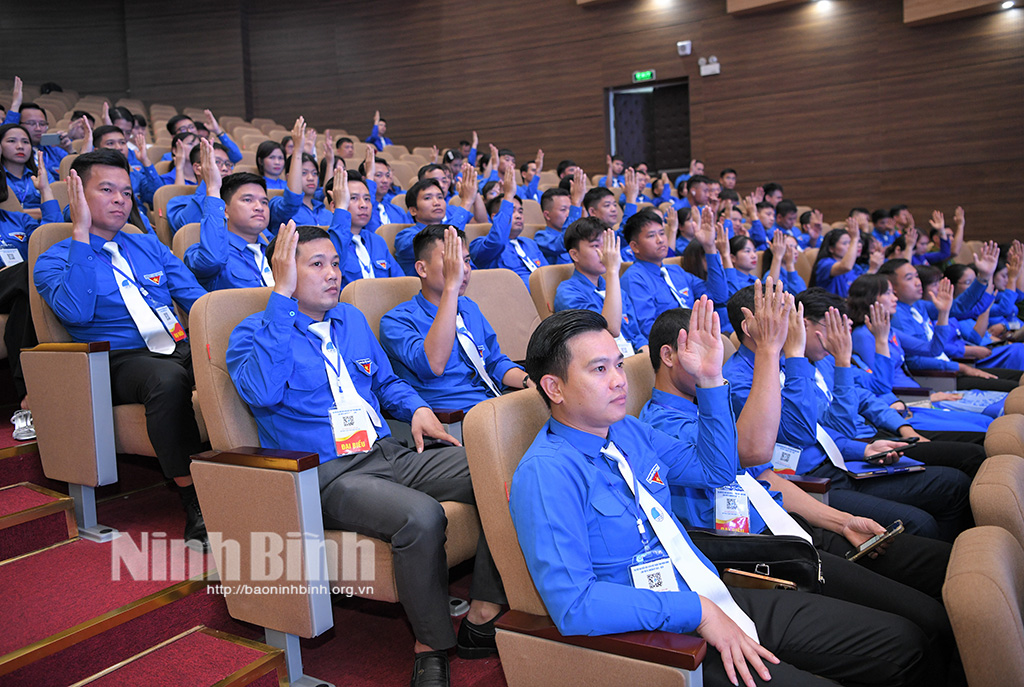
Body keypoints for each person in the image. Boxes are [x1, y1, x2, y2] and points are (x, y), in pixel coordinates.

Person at [511, 307, 930, 687]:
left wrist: (711, 381)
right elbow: (575, 604)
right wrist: (697, 612)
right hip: (662, 635)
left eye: (618, 364)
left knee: (902, 641)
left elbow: (717, 471)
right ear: (555, 387)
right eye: (599, 369)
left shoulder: (628, 432)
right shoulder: (547, 472)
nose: (619, 380)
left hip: (710, 590)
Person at [227, 223, 505, 687]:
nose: (333, 274)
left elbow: (385, 383)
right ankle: (431, 645)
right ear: (285, 272)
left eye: (335, 263)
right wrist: (279, 300)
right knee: (422, 516)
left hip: (388, 449)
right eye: (317, 265)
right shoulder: (254, 331)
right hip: (328, 474)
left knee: (504, 473)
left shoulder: (351, 320)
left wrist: (416, 407)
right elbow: (260, 390)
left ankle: (483, 612)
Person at [640, 299, 959, 684]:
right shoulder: (659, 424)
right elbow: (752, 452)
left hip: (795, 528)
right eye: (703, 351)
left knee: (942, 577)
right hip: (763, 556)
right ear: (670, 355)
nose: (715, 363)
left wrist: (841, 522)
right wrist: (774, 353)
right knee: (923, 628)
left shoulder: (705, 404)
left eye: (716, 353)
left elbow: (765, 476)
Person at [34, 150, 209, 548]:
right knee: (168, 379)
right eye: (107, 190)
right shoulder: (52, 259)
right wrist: (80, 236)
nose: (120, 200)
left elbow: (198, 302)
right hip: (115, 360)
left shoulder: (148, 246)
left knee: (229, 362)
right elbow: (75, 312)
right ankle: (192, 500)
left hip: (176, 345)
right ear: (77, 195)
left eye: (127, 193)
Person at [723, 285, 972, 543]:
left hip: (837, 459)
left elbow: (830, 427)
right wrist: (797, 355)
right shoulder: (741, 380)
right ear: (749, 327)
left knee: (953, 484)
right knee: (920, 522)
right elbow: (802, 434)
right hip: (808, 480)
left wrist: (860, 450)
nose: (793, 324)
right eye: (783, 315)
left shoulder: (788, 362)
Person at [380, 226, 527, 412]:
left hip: (492, 406)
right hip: (453, 420)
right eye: (451, 261)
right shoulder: (397, 321)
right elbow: (433, 366)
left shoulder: (468, 307)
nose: (463, 269)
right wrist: (451, 287)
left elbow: (494, 362)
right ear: (422, 269)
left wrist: (529, 381)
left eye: (466, 260)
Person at [847, 273, 995, 442]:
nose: (894, 297)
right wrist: (926, 397)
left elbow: (932, 349)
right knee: (983, 430)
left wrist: (943, 313)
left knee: (986, 422)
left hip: (919, 397)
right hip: (908, 401)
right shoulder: (863, 336)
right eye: (888, 293)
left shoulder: (888, 330)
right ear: (869, 299)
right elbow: (881, 387)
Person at [881, 257, 1022, 390]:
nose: (918, 282)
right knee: (1015, 387)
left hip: (949, 368)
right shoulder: (898, 316)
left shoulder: (918, 306)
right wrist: (961, 367)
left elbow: (961, 307)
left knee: (1018, 378)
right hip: (938, 376)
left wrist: (983, 278)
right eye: (909, 278)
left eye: (917, 276)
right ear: (892, 287)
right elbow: (916, 361)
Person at [621, 207, 727, 337]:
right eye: (651, 235)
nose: (660, 240)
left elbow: (718, 297)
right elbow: (648, 329)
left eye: (661, 233)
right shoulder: (634, 279)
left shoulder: (675, 271)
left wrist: (709, 247)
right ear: (634, 247)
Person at [183, 141, 274, 291]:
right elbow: (213, 261)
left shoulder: (277, 252)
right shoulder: (203, 252)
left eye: (264, 202)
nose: (259, 207)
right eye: (248, 200)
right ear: (225, 210)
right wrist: (212, 189)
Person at [554, 218, 647, 355]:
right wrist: (612, 270)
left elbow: (636, 336)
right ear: (575, 255)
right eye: (596, 246)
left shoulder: (617, 290)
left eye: (606, 245)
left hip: (631, 359)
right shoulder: (568, 293)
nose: (605, 253)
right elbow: (610, 330)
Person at [322, 166, 403, 288]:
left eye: (367, 199)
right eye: (353, 198)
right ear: (334, 206)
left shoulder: (377, 241)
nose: (364, 205)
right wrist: (341, 209)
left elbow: (401, 284)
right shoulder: (328, 243)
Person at [469, 165, 546, 288]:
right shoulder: (479, 244)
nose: (518, 216)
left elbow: (546, 274)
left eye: (520, 211)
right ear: (495, 217)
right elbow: (498, 241)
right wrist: (508, 196)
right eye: (512, 211)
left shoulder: (529, 243)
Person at [395, 171, 476, 276]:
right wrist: (466, 202)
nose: (436, 203)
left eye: (440, 197)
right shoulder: (404, 236)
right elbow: (440, 239)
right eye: (427, 198)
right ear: (413, 210)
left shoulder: (454, 229)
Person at [166, 141, 234, 233]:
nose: (225, 168)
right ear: (198, 168)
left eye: (228, 164)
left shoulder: (236, 203)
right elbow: (187, 230)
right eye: (217, 162)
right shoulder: (178, 202)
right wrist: (210, 184)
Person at [159, 111, 242, 164]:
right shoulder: (168, 157)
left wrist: (218, 131)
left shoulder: (209, 151)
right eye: (183, 129)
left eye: (192, 127)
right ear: (174, 136)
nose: (190, 131)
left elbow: (236, 157)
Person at [533, 181, 584, 265]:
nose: (569, 214)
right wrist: (575, 205)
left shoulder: (578, 236)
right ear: (547, 215)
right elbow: (562, 243)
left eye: (570, 209)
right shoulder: (541, 237)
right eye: (563, 209)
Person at [0, 123, 42, 213]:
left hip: (43, 225)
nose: (20, 146)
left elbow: (55, 209)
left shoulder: (41, 173)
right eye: (11, 141)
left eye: (25, 142)